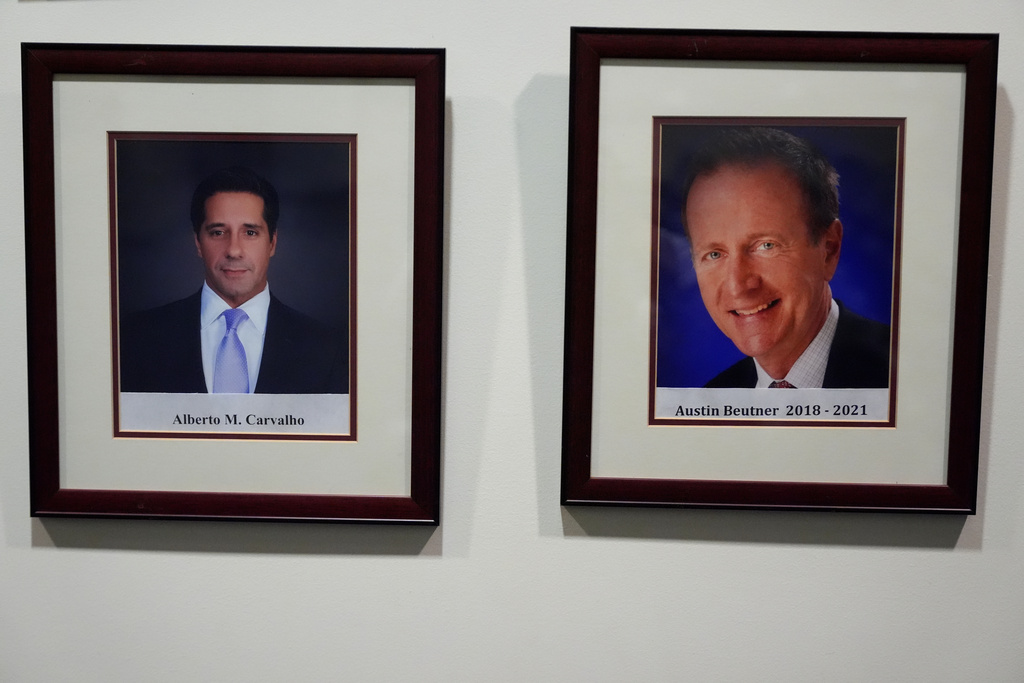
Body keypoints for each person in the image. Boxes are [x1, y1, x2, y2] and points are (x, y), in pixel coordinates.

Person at [681, 127, 890, 389]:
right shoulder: (708, 401)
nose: (738, 285)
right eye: (714, 254)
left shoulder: (906, 377)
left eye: (766, 245)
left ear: (829, 249)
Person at [119, 166, 348, 394]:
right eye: (218, 232)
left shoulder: (327, 349)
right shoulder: (136, 339)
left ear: (272, 243)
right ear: (198, 243)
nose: (234, 250)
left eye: (250, 233)